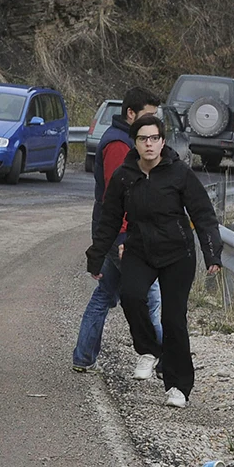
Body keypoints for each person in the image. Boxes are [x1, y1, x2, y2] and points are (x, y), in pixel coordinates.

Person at [87, 114, 223, 408]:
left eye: (154, 138)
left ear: (162, 142)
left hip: (178, 253)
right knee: (131, 296)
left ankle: (178, 387)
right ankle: (148, 350)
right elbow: (109, 219)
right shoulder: (125, 176)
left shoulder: (179, 173)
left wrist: (211, 252)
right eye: (142, 139)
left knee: (173, 320)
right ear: (134, 143)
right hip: (139, 249)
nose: (149, 144)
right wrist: (96, 257)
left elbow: (202, 214)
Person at [73, 87, 164, 374]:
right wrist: (124, 237)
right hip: (121, 236)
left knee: (106, 294)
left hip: (119, 235)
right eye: (148, 116)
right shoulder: (118, 146)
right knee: (152, 296)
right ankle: (167, 359)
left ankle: (84, 356)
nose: (153, 124)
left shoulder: (127, 141)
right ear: (131, 114)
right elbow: (118, 198)